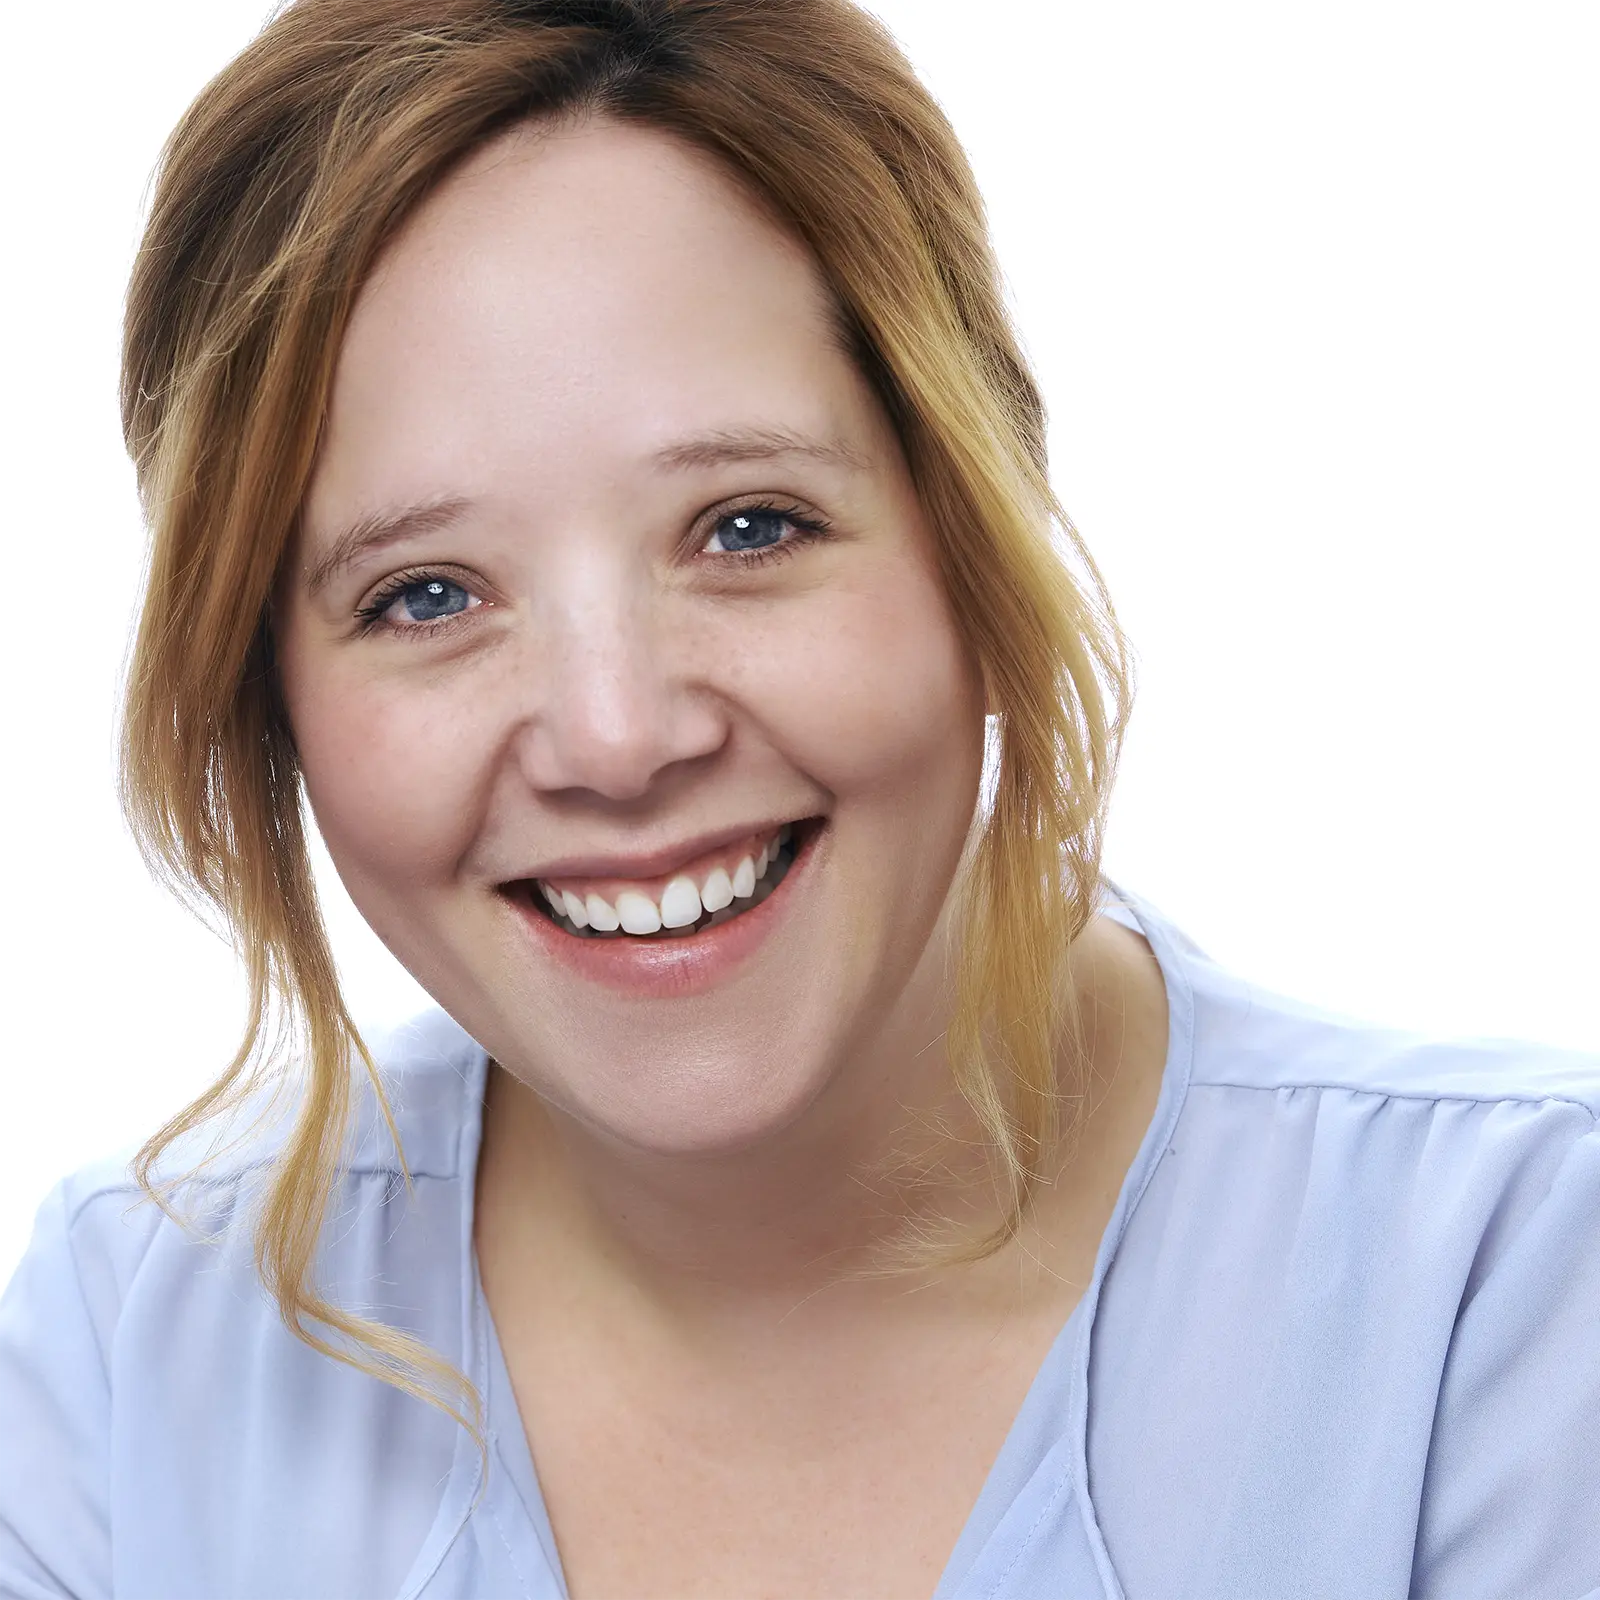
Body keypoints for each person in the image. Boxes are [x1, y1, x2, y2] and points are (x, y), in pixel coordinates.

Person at [1, 1, 1596, 1595]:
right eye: (424, 597)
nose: (618, 740)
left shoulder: (1506, 1290)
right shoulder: (124, 1354)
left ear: (973, 532)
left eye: (748, 526)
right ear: (264, 698)